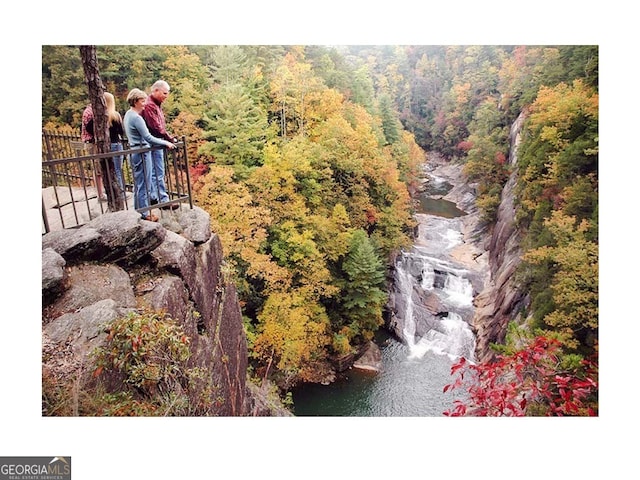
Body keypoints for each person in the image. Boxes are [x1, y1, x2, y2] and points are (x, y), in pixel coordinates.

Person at [123, 88, 176, 222]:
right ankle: (145, 213)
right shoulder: (136, 118)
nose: (145, 103)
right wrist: (166, 143)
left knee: (139, 183)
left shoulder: (128, 115)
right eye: (142, 100)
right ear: (135, 101)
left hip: (134, 151)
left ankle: (138, 211)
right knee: (145, 184)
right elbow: (148, 137)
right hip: (142, 152)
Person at [141, 79, 178, 210]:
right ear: (156, 90)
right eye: (164, 93)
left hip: (155, 141)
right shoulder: (150, 105)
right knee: (157, 172)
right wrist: (168, 138)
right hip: (153, 141)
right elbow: (155, 126)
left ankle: (155, 197)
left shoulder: (155, 104)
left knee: (154, 171)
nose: (166, 96)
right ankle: (162, 199)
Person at [80, 102, 106, 201]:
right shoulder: (91, 112)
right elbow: (90, 128)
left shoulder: (88, 111)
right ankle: (100, 194)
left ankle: (100, 193)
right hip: (92, 142)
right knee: (98, 168)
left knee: (97, 169)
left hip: (89, 141)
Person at [104, 92, 125, 192]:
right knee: (118, 171)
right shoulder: (115, 116)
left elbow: (88, 127)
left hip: (106, 146)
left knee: (109, 171)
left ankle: (113, 192)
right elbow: (121, 132)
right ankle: (121, 192)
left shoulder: (101, 116)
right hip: (116, 144)